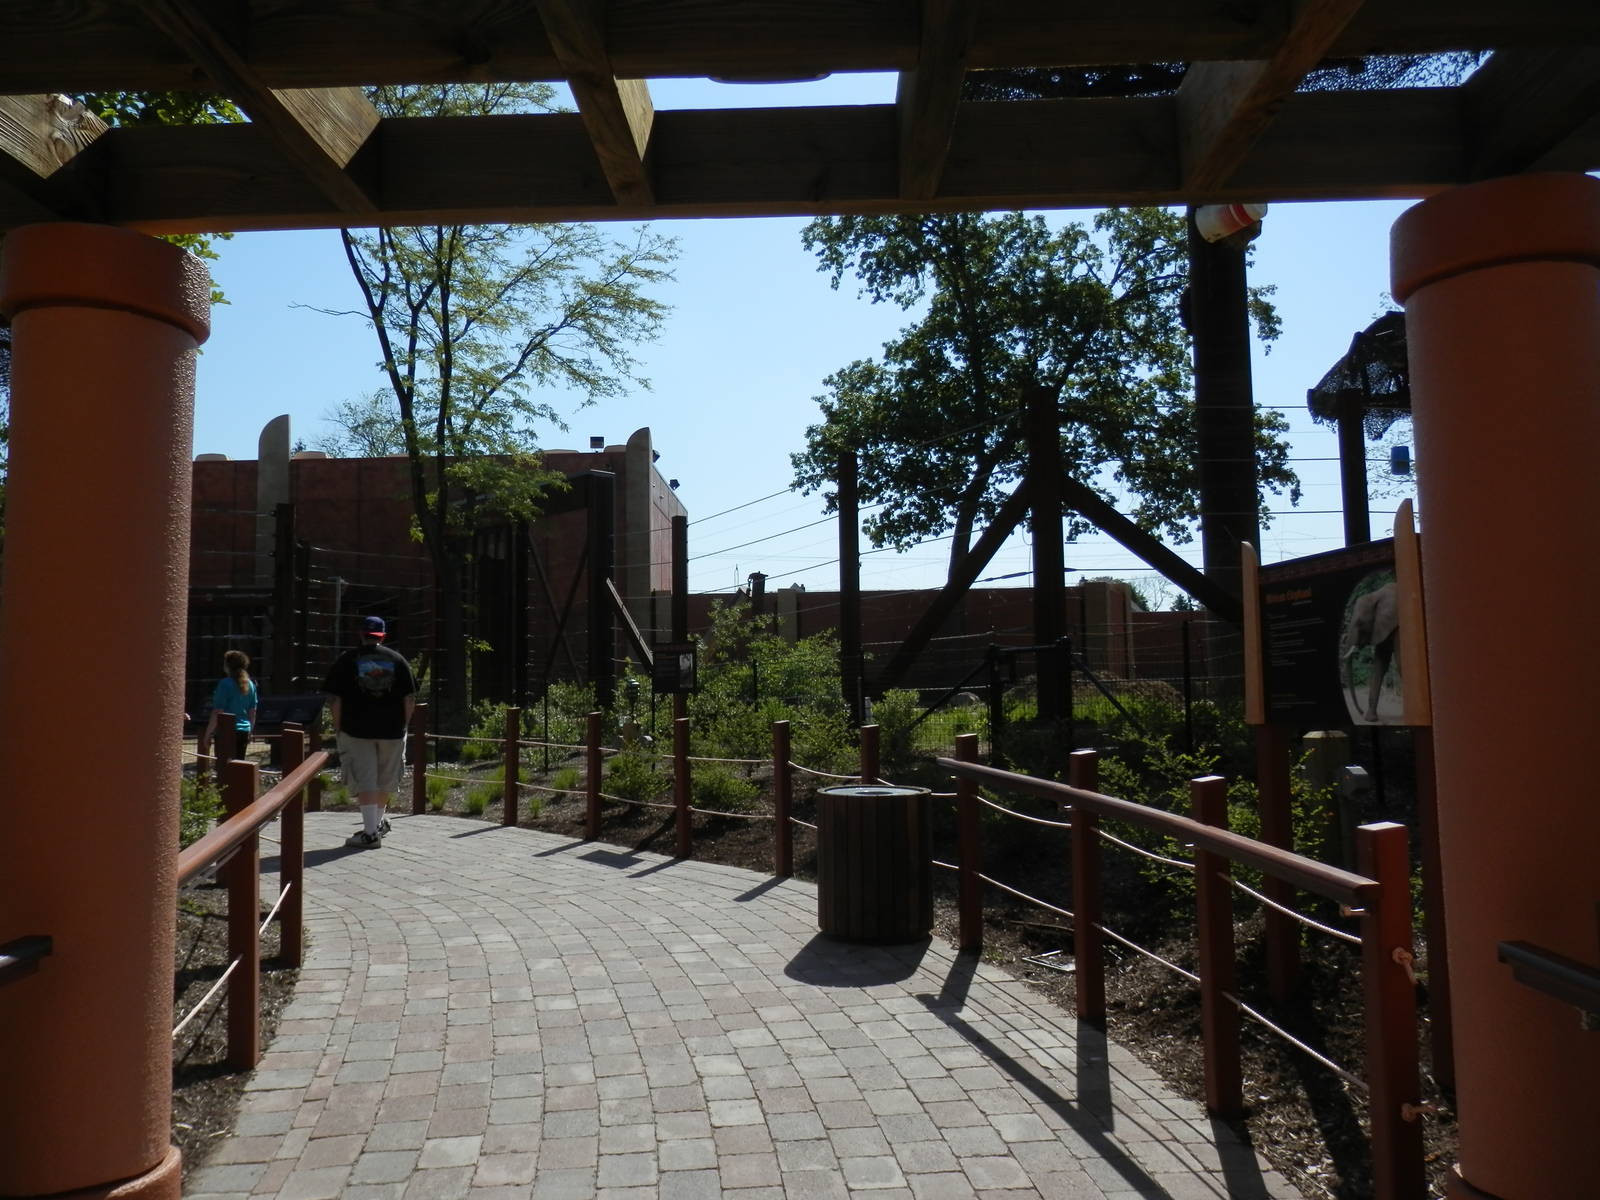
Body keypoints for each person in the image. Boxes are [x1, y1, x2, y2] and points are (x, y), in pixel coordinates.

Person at [322, 615, 416, 849]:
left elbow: (334, 700)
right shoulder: (398, 660)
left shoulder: (346, 660)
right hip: (392, 730)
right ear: (383, 635)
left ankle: (370, 833)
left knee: (365, 779)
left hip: (356, 730)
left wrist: (338, 727)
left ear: (361, 634)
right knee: (386, 778)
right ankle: (376, 825)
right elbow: (410, 698)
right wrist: (404, 725)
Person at [199, 649, 257, 764]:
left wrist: (208, 734)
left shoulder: (225, 684)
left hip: (226, 731)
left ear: (228, 665)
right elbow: (252, 711)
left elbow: (217, 711)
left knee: (223, 768)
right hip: (244, 731)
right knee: (239, 767)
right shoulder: (250, 684)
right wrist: (250, 731)